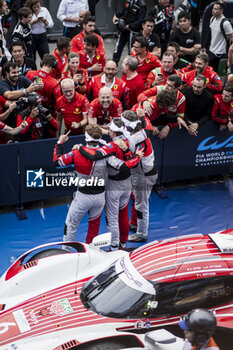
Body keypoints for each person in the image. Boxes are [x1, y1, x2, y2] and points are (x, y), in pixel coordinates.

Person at [53, 124, 141, 247]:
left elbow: (57, 161)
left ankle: (66, 252)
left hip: (82, 197)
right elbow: (124, 166)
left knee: (71, 226)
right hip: (100, 198)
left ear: (86, 138)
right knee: (94, 228)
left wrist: (60, 142)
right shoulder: (107, 153)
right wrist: (136, 157)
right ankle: (91, 252)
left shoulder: (76, 152)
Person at [121, 110, 158, 243]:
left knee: (141, 205)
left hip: (143, 176)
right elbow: (147, 126)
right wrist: (143, 115)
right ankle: (136, 224)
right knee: (137, 200)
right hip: (146, 172)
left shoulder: (134, 139)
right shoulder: (141, 131)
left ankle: (141, 234)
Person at [112, 0, 147, 64]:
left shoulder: (142, 5)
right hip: (124, 29)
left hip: (133, 31)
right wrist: (116, 15)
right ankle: (114, 63)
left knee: (132, 49)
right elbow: (123, 11)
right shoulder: (129, 1)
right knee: (118, 46)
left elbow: (141, 20)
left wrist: (130, 26)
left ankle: (131, 65)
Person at [206, 1, 233, 72]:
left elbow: (231, 37)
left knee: (218, 74)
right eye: (213, 8)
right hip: (211, 51)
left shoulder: (225, 23)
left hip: (220, 53)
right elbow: (210, 34)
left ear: (221, 11)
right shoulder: (212, 19)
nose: (212, 10)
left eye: (215, 9)